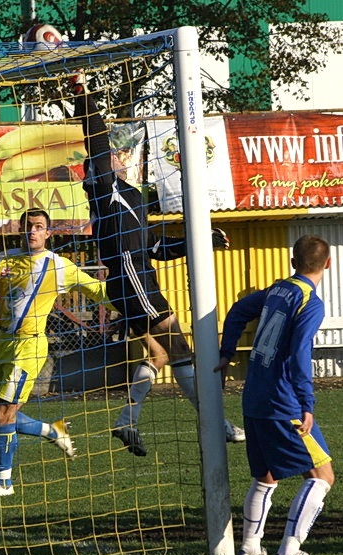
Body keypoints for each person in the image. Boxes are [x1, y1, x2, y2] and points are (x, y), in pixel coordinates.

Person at [64, 69, 245, 457]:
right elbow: (94, 135)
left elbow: (157, 247)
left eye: (115, 152)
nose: (115, 154)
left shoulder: (135, 196)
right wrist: (83, 93)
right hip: (132, 278)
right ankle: (217, 423)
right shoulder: (104, 186)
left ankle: (127, 421)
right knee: (179, 347)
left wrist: (201, 242)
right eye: (109, 154)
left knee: (160, 355)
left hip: (134, 276)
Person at [0, 209, 112, 498]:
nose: (32, 232)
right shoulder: (4, 260)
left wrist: (133, 305)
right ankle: (53, 431)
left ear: (48, 233)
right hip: (3, 347)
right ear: (20, 230)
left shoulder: (58, 265)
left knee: (4, 413)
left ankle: (4, 484)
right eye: (28, 227)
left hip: (30, 347)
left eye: (38, 227)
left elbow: (97, 290)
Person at [214, 234, 334, 555]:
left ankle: (251, 550)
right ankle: (289, 553)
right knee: (322, 475)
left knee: (266, 476)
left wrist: (226, 353)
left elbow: (237, 311)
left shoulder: (278, 289)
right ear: (327, 263)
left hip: (254, 396)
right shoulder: (311, 301)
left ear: (293, 262)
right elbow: (299, 353)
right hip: (283, 401)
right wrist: (306, 402)